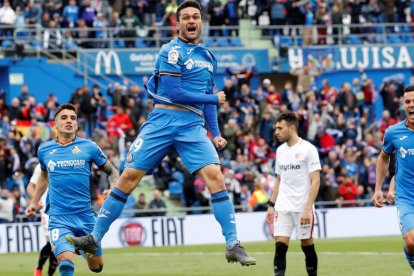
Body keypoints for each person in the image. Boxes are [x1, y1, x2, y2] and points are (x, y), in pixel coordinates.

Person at [66, 0, 256, 266]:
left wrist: (215, 132)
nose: (191, 21)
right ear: (178, 24)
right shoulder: (171, 51)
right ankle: (94, 238)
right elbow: (177, 92)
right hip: (163, 120)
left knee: (216, 177)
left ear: (202, 22)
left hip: (192, 125)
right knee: (128, 178)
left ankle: (232, 243)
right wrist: (213, 98)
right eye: (186, 17)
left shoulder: (208, 57)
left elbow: (204, 100)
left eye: (196, 17)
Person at [26, 103, 120, 276]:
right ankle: (70, 249)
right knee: (65, 261)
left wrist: (112, 187)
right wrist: (33, 202)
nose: (69, 121)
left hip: (85, 216)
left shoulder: (89, 147)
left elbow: (112, 171)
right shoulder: (44, 150)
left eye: (72, 118)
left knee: (96, 267)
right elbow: (44, 176)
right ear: (54, 124)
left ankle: (83, 246)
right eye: (64, 117)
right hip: (59, 217)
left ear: (76, 125)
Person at [266, 111, 321, 276]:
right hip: (283, 206)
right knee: (280, 246)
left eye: (280, 128)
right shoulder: (280, 151)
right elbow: (279, 180)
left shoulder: (308, 149)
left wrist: (307, 208)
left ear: (292, 128)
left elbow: (315, 180)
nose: (276, 132)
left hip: (302, 207)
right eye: (276, 128)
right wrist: (271, 205)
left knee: (306, 244)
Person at [372, 85, 414, 273]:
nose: (411, 105)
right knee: (411, 241)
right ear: (403, 105)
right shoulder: (393, 133)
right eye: (408, 102)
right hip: (407, 199)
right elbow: (383, 157)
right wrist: (378, 188)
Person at [27, 162, 58, 276]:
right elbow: (30, 186)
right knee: (51, 243)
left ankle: (50, 274)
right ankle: (39, 268)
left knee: (58, 245)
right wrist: (36, 200)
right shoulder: (43, 164)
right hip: (47, 210)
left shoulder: (68, 160)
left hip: (63, 210)